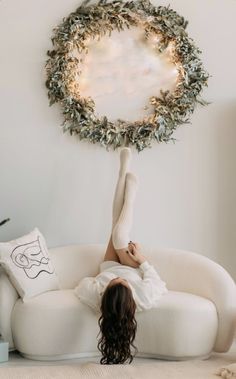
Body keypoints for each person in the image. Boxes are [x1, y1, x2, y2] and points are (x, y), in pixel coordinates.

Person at [74, 148, 168, 365]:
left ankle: (124, 174)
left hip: (107, 265)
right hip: (132, 265)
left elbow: (83, 284)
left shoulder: (97, 299)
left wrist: (100, 283)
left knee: (115, 222)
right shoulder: (142, 299)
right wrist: (141, 259)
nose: (121, 279)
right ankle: (130, 188)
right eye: (125, 284)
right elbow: (157, 281)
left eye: (112, 284)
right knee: (119, 235)